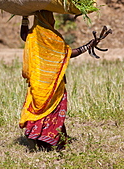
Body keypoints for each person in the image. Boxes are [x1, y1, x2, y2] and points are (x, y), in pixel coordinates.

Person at [19, 10, 100, 151]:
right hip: (54, 85)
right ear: (50, 20)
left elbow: (23, 35)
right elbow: (68, 53)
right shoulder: (53, 37)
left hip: (38, 84)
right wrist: (87, 46)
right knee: (54, 110)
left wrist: (25, 17)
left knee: (35, 109)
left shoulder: (32, 35)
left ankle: (35, 139)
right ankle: (55, 141)